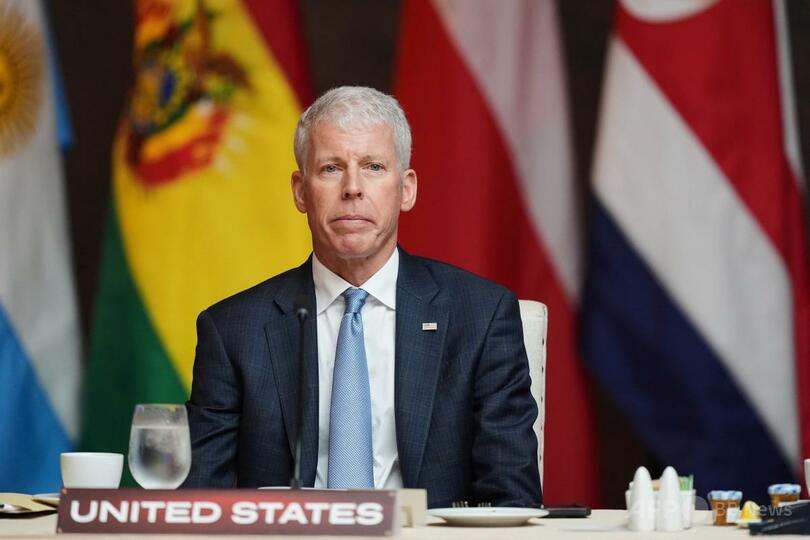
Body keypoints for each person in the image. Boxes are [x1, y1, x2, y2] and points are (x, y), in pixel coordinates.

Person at [183, 86, 542, 508]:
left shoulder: (480, 316)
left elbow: (512, 500)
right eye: (331, 168)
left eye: (373, 166)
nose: (352, 188)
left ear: (406, 189)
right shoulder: (232, 330)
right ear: (300, 191)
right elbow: (195, 506)